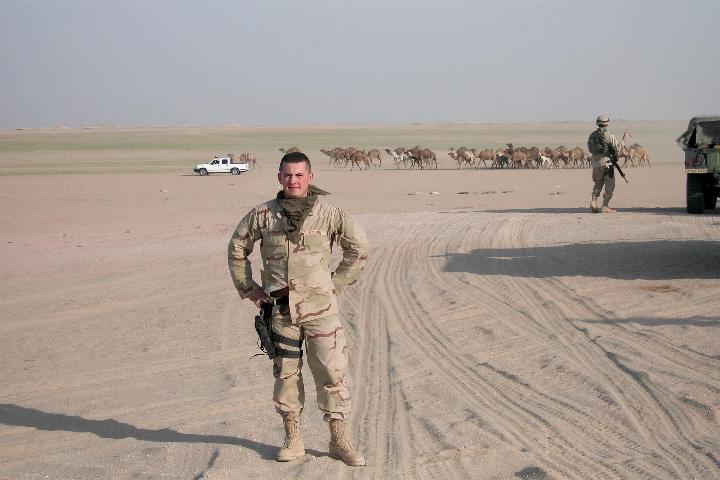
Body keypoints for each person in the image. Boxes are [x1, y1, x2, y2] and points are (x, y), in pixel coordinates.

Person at [227, 151, 369, 466]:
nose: (293, 181)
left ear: (310, 177)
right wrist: (249, 288)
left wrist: (337, 284)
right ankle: (293, 439)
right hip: (280, 311)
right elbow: (237, 248)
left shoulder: (329, 213)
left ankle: (339, 440)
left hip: (321, 309)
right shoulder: (262, 215)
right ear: (279, 178)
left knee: (332, 373)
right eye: (288, 175)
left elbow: (358, 247)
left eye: (299, 175)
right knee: (286, 375)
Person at [587, 115, 625, 213]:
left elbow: (590, 149)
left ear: (597, 123)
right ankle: (605, 206)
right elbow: (618, 148)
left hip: (596, 163)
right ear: (607, 124)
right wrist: (624, 139)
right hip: (607, 163)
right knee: (609, 185)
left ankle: (594, 201)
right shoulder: (609, 135)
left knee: (598, 183)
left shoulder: (592, 136)